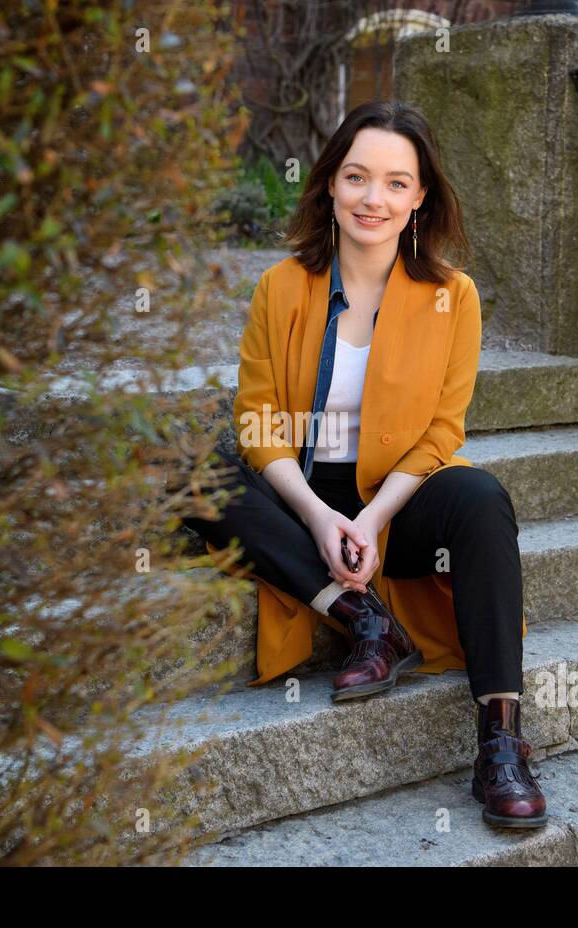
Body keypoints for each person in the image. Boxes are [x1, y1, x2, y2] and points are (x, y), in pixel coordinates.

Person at [184, 101, 546, 828]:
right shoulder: (280, 287)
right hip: (300, 496)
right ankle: (365, 619)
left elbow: (443, 429)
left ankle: (500, 743)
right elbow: (258, 424)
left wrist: (374, 518)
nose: (371, 199)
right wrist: (320, 517)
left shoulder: (454, 296)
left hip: (397, 500)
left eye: (393, 182)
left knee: (480, 498)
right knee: (190, 473)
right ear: (328, 186)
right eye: (355, 177)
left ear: (419, 198)